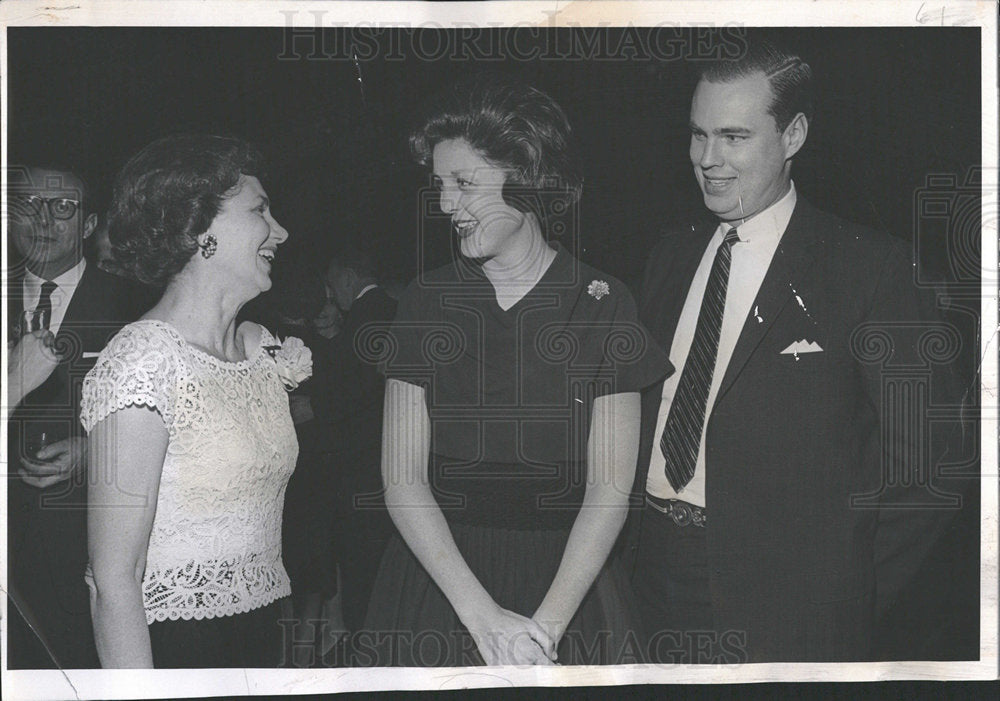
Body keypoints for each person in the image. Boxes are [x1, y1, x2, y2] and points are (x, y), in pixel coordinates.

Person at [628, 38, 966, 662]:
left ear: (794, 135)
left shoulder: (872, 267)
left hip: (788, 608)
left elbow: (930, 467)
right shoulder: (669, 255)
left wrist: (836, 590)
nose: (708, 160)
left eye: (733, 137)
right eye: (698, 136)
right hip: (646, 584)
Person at [363, 78, 671, 666]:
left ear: (525, 174)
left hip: (568, 589)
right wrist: (483, 620)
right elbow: (400, 479)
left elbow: (611, 489)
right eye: (439, 185)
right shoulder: (425, 301)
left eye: (464, 183)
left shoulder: (604, 302)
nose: (447, 203)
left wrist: (542, 631)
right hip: (441, 584)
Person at [79, 134, 300, 668]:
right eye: (260, 210)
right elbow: (112, 578)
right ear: (197, 227)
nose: (282, 232)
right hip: (181, 649)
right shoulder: (144, 359)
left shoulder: (257, 348)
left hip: (269, 627)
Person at [6, 165, 137, 669]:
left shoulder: (134, 303)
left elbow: (177, 416)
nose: (41, 218)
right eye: (28, 203)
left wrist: (94, 448)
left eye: (62, 207)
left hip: (88, 543)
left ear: (88, 226)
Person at [323, 249, 397, 645]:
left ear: (349, 274)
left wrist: (314, 405)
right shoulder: (391, 308)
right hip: (387, 458)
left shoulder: (367, 317)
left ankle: (362, 644)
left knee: (360, 559)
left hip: (362, 464)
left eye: (333, 283)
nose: (331, 295)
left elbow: (355, 388)